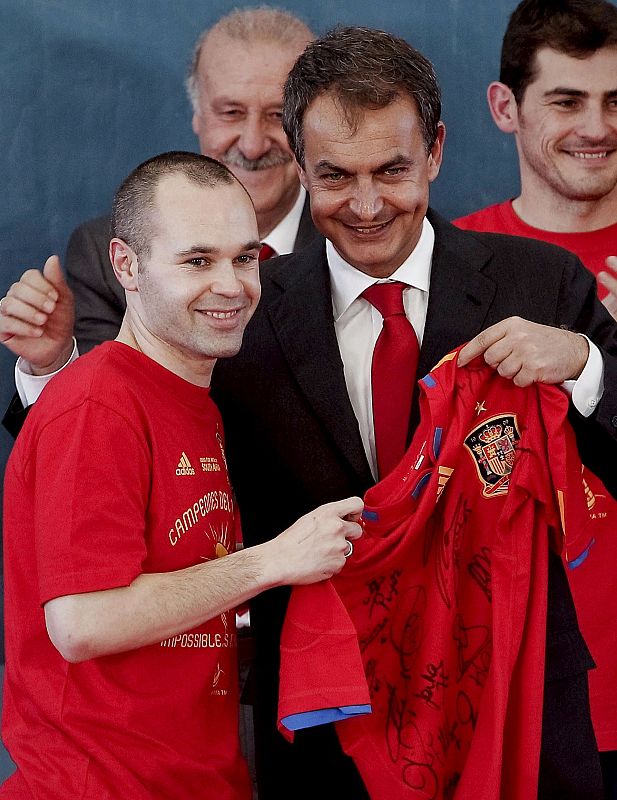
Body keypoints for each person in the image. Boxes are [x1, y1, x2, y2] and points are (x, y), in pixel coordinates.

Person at [4, 25, 617, 800]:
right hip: (324, 725)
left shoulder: (541, 285)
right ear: (299, 163)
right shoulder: (236, 317)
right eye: (334, 175)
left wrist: (586, 367)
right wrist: (51, 368)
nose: (365, 205)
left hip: (512, 704)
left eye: (391, 170)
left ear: (433, 151)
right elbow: (111, 457)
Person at [0, 151, 362, 799]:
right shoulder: (98, 405)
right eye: (197, 261)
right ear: (126, 266)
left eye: (244, 257)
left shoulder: (192, 402)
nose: (230, 284)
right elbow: (82, 623)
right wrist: (274, 562)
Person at [453, 1, 617, 793]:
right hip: (507, 704)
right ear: (504, 107)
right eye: (566, 100)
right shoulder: (447, 270)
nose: (596, 125)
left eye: (616, 101)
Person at [57, 6, 319, 360]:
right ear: (199, 118)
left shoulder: (354, 243)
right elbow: (103, 403)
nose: (253, 144)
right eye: (231, 113)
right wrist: (51, 366)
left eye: (279, 115)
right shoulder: (108, 255)